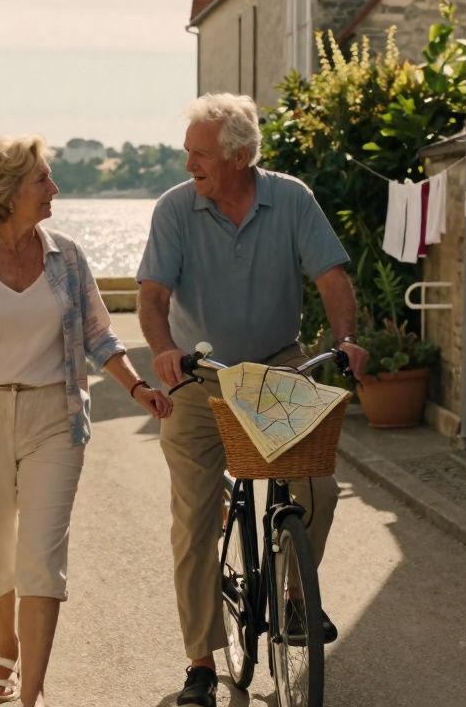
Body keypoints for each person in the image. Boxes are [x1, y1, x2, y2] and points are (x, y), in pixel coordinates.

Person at [0, 135, 172, 707]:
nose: (55, 188)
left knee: (42, 558)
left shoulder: (67, 257)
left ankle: (32, 694)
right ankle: (7, 645)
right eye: (43, 179)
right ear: (7, 190)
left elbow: (99, 334)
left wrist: (137, 386)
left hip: (54, 416)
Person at [137, 93, 369, 707]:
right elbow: (153, 297)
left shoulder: (291, 199)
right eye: (188, 152)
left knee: (318, 488)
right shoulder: (175, 209)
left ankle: (294, 597)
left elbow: (332, 278)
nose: (189, 164)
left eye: (200, 154)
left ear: (239, 157)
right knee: (194, 520)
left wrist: (346, 339)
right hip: (198, 376)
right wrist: (163, 351)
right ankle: (200, 663)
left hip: (275, 367)